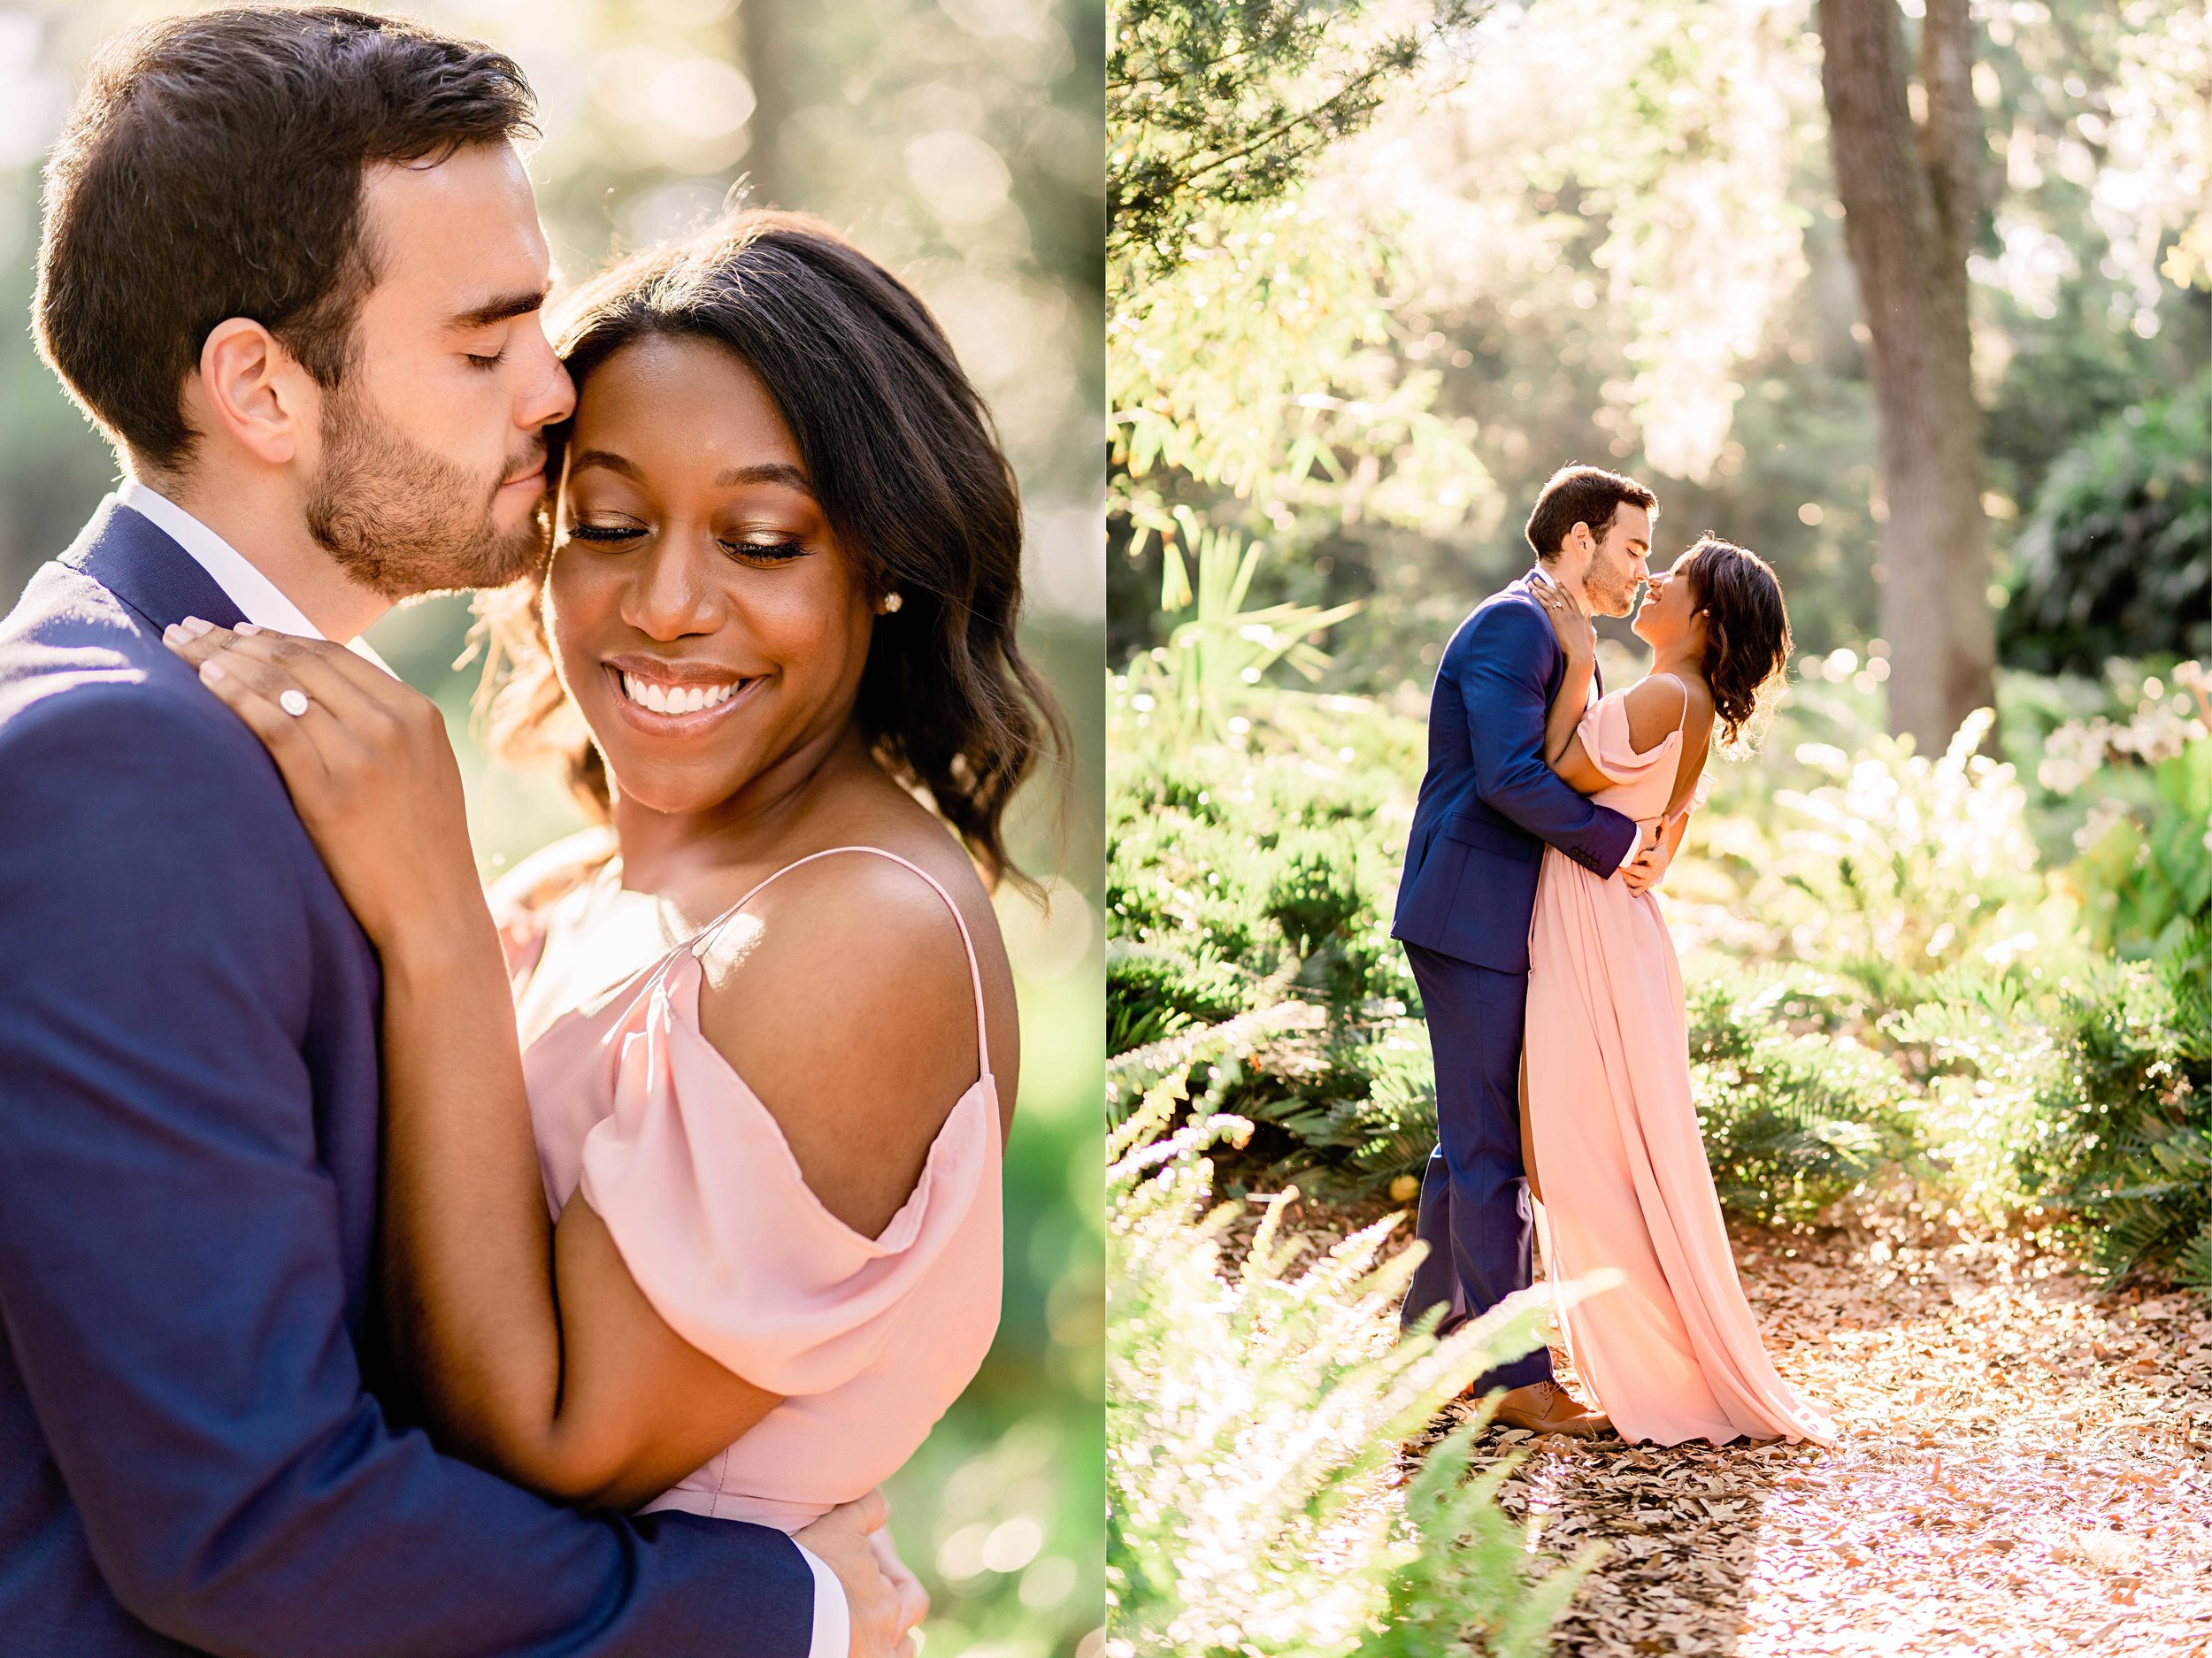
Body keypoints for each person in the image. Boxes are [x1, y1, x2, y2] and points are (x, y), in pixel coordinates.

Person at [0, 11, 899, 1653]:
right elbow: (243, 1519)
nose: (554, 392)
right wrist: (789, 1611)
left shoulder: (219, 724)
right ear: (261, 386)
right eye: (484, 349)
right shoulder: (116, 766)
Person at [165, 204, 1054, 1554]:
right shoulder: (570, 893)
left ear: (884, 567)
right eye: (613, 523)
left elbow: (555, 1435)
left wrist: (436, 927)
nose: (667, 603)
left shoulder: (863, 933)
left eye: (762, 540)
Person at [1522, 536, 1838, 1447]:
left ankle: (1653, 1368)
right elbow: (1666, 811)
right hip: (1612, 925)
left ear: (1698, 618)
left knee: (1580, 1157)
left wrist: (1578, 657)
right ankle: (1647, 1353)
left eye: (1672, 576)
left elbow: (1550, 773)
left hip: (1593, 926)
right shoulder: (1687, 701)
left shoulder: (1665, 692)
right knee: (1602, 1151)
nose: (1649, 580)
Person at [1391, 464, 1671, 1436]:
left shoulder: (1565, 631)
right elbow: (1510, 775)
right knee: (1489, 1147)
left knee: (1467, 1140)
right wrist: (1618, 844)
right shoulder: (1515, 625)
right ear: (1578, 537)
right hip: (1470, 910)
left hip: (1499, 912)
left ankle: (1429, 1347)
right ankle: (1512, 1373)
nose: (1644, 569)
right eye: (1633, 546)